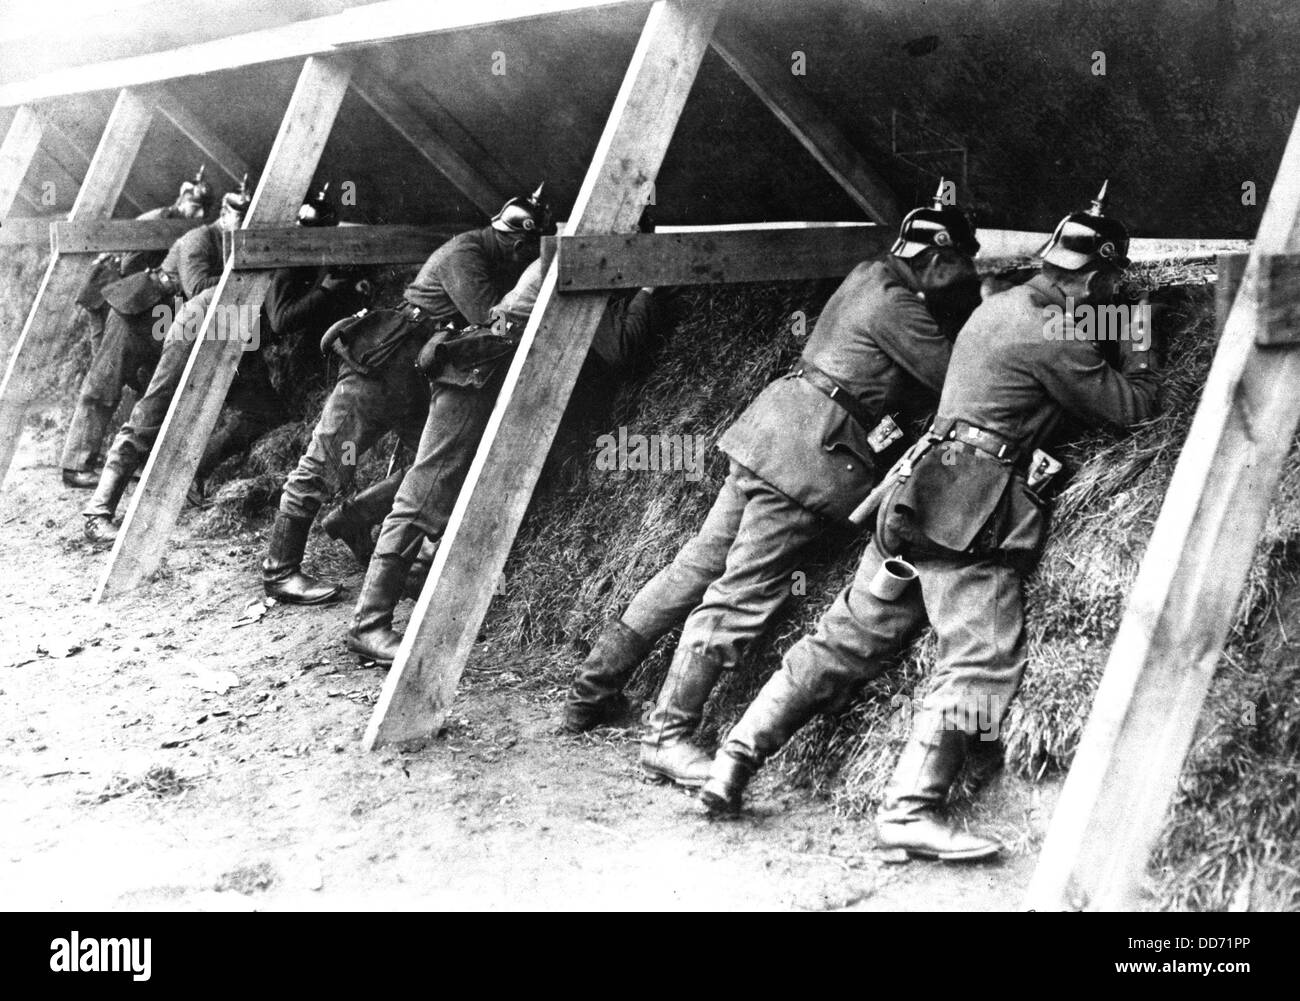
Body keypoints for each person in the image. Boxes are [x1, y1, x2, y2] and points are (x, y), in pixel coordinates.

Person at [699, 183, 1161, 863]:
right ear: (1094, 277)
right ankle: (910, 811)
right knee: (982, 655)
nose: (1110, 297)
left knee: (845, 638)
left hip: (914, 493)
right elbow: (1136, 408)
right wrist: (1142, 333)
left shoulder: (999, 307)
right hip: (968, 508)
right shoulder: (1053, 331)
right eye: (1109, 285)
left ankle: (732, 758)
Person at [561, 183, 984, 796]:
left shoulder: (869, 275)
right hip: (805, 459)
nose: (962, 279)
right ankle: (666, 737)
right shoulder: (901, 307)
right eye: (960, 269)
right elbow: (956, 379)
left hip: (771, 430)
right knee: (742, 592)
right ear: (938, 261)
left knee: (695, 566)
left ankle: (588, 696)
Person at [261, 185, 548, 606]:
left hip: (417, 374)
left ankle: (352, 518)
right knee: (324, 460)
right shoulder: (465, 255)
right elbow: (489, 324)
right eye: (526, 253)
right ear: (519, 243)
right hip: (384, 365)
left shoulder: (482, 251)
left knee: (426, 471)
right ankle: (280, 570)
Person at [60, 166, 214, 488]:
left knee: (136, 382)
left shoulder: (185, 227)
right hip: (118, 298)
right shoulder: (159, 221)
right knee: (103, 383)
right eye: (193, 206)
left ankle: (118, 459)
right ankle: (76, 466)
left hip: (143, 306)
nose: (197, 213)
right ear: (181, 198)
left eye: (202, 210)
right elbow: (126, 267)